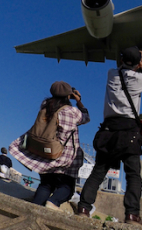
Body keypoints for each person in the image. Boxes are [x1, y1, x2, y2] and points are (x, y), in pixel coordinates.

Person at [77, 47, 142, 222]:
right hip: (129, 130)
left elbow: (123, 67)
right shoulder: (139, 79)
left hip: (109, 129)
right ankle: (131, 214)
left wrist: (133, 63)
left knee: (99, 172)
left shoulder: (111, 73)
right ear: (138, 63)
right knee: (133, 175)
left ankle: (83, 207)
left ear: (121, 60)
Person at [10, 81, 90, 209]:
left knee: (46, 184)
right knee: (67, 187)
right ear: (68, 95)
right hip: (64, 157)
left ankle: (35, 207)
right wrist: (79, 101)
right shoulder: (71, 112)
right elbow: (86, 117)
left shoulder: (45, 107)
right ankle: (53, 202)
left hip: (43, 152)